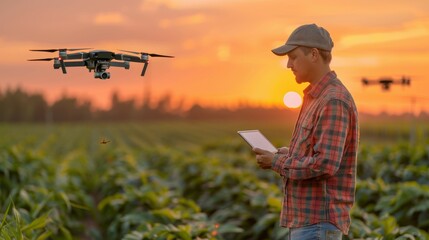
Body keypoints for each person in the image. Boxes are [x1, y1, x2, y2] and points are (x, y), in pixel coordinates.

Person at [253, 23, 359, 239]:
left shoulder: (333, 101)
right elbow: (315, 154)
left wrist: (276, 162)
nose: (288, 65)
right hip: (309, 223)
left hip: (318, 225)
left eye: (293, 57)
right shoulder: (316, 98)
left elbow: (324, 164)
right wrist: (284, 154)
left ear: (313, 55)